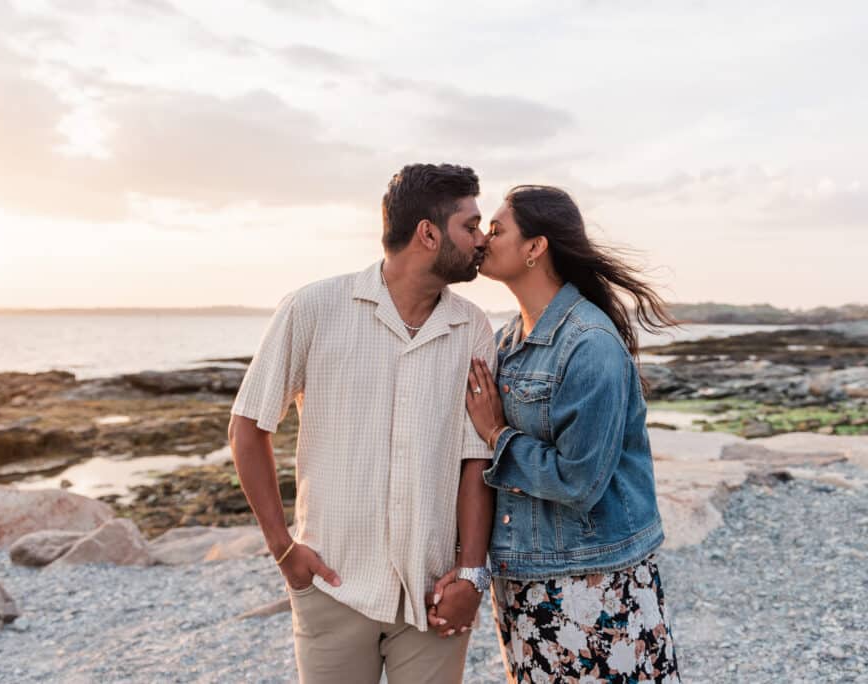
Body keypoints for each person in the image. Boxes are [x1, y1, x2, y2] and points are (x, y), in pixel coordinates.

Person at [228, 163, 497, 683]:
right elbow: (247, 428)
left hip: (432, 596)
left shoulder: (472, 327)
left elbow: (475, 461)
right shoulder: (313, 308)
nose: (482, 239)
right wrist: (283, 548)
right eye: (471, 225)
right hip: (333, 587)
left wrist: (469, 576)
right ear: (428, 233)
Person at [459, 184, 681, 682]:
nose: (483, 240)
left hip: (592, 582)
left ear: (535, 248)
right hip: (524, 579)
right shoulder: (505, 342)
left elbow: (579, 481)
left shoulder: (590, 345)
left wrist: (498, 436)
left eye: (497, 230)